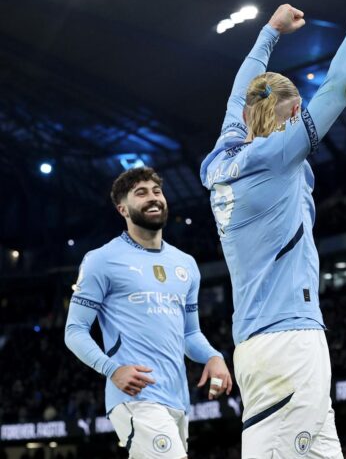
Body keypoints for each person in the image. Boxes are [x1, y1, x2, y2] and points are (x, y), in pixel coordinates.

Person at [199, 0, 346, 457]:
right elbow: (343, 82)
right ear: (292, 110)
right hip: (289, 343)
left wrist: (270, 32)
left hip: (260, 345)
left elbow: (240, 94)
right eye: (298, 105)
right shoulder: (279, 155)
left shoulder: (223, 157)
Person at [65, 167, 232, 459]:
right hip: (134, 398)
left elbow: (190, 334)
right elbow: (74, 331)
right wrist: (112, 369)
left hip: (178, 399)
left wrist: (214, 357)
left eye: (157, 191)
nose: (153, 198)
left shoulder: (186, 264)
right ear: (123, 209)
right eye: (140, 193)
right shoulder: (101, 260)